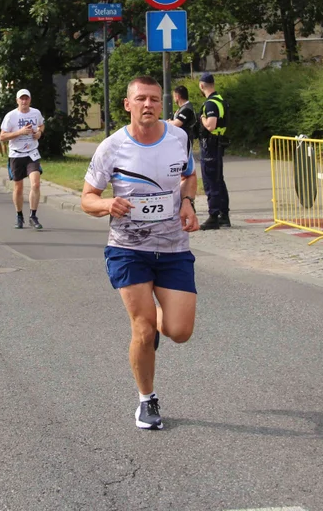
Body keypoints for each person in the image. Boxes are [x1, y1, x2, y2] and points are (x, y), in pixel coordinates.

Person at [81, 76, 200, 430]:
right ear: (127, 104)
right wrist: (105, 204)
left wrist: (189, 202)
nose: (148, 105)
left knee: (179, 331)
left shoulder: (178, 137)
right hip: (128, 249)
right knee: (144, 329)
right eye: (140, 99)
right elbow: (87, 198)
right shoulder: (111, 147)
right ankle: (146, 400)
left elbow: (189, 176)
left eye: (153, 99)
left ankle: (157, 324)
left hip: (174, 247)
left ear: (160, 104)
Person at [0, 89, 46, 229]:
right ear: (17, 100)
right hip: (16, 154)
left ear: (30, 100)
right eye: (22, 99)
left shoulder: (35, 113)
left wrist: (39, 133)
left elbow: (41, 125)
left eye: (26, 99)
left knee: (35, 184)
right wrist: (20, 132)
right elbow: (2, 137)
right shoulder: (11, 116)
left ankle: (33, 216)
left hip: (32, 153)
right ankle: (19, 215)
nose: (24, 101)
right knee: (18, 187)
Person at [197, 73, 230, 230]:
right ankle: (224, 215)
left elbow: (210, 125)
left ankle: (213, 216)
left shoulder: (210, 104)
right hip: (218, 143)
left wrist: (202, 118)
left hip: (210, 145)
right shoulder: (220, 100)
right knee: (218, 180)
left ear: (202, 85)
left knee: (210, 181)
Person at [170, 85, 196, 158]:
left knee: (184, 160)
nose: (173, 99)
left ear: (177, 96)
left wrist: (169, 122)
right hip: (180, 139)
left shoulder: (187, 109)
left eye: (174, 96)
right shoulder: (182, 109)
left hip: (185, 139)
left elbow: (177, 123)